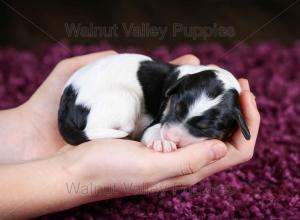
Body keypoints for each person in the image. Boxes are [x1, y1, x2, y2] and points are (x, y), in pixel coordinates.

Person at [0, 51, 260, 219]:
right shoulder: (175, 84)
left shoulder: (181, 84)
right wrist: (75, 171)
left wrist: (28, 129)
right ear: (175, 92)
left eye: (201, 127)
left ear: (235, 124)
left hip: (90, 105)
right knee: (130, 111)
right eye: (176, 113)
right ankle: (104, 130)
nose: (173, 133)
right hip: (96, 102)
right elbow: (154, 131)